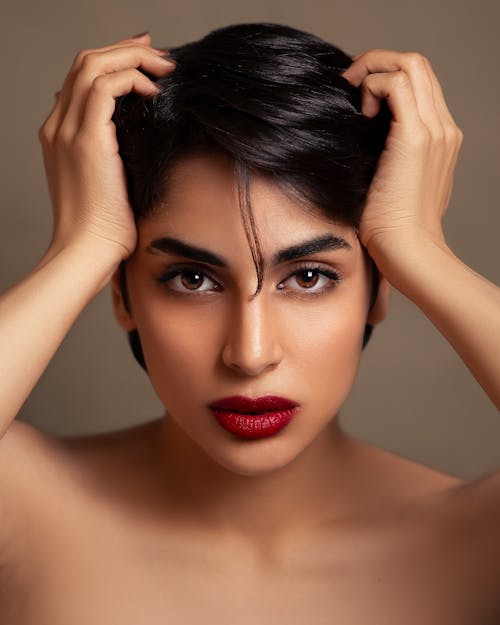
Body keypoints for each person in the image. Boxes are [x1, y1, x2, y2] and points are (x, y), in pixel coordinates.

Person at [0, 22, 499, 623]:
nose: (250, 353)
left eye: (309, 277)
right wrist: (82, 246)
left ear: (381, 286)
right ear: (120, 291)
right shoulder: (26, 507)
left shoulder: (477, 543)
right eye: (192, 278)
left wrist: (421, 250)